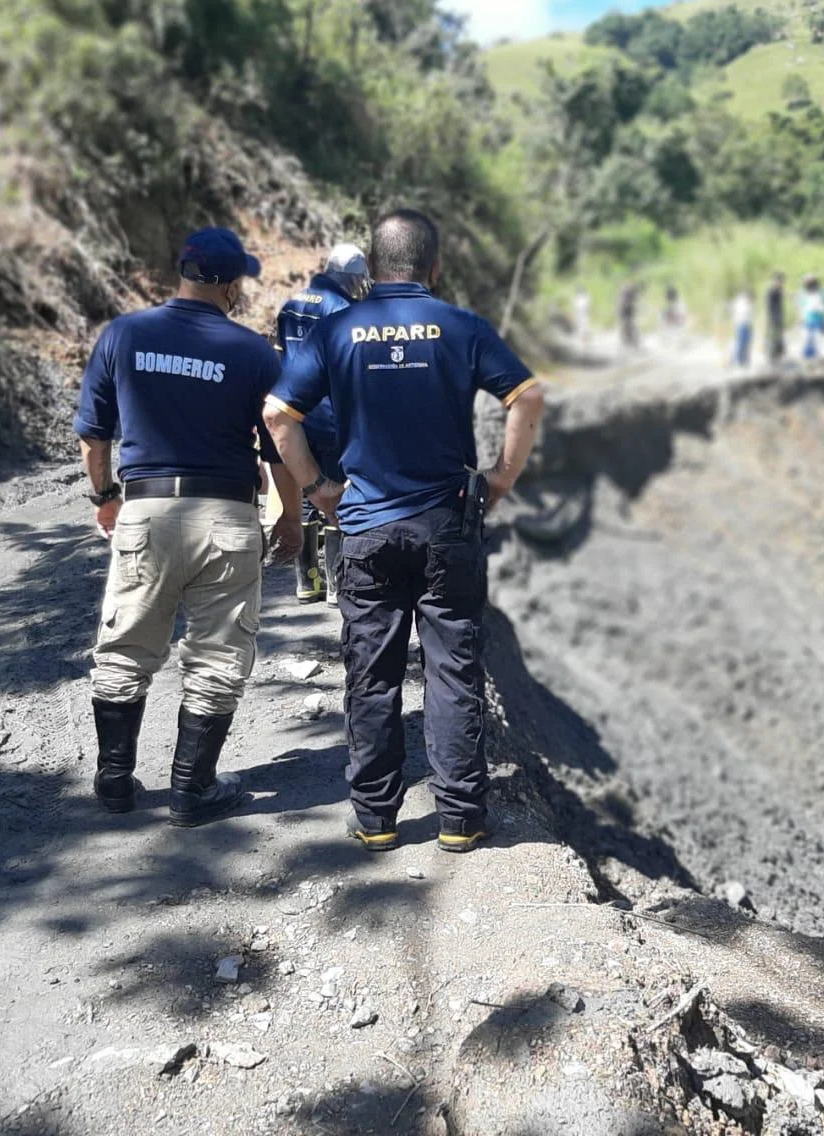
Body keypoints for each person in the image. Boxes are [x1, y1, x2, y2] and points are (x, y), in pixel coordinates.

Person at [263, 209, 546, 855]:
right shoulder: (461, 326)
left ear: (371, 266)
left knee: (372, 673)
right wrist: (501, 478)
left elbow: (279, 414)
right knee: (452, 670)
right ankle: (460, 819)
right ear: (434, 267)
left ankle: (375, 819)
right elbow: (526, 397)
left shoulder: (337, 329)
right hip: (445, 523)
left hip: (365, 525)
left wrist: (318, 489)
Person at [74, 227, 303, 828]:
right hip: (226, 518)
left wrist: (104, 498)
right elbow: (279, 441)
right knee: (218, 655)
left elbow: (94, 436)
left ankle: (115, 782)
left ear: (182, 272)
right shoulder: (254, 352)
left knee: (124, 648)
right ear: (229, 285)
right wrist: (294, 519)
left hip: (147, 511)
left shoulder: (124, 335)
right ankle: (191, 789)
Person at [274, 243, 371, 606]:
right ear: (351, 276)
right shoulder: (344, 309)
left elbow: (282, 354)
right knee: (334, 495)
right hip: (332, 414)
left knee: (305, 490)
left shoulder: (292, 302)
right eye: (360, 278)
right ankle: (335, 585)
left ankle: (306, 582)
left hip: (295, 413)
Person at [800, 274, 824, 359]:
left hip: (817, 318)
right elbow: (802, 306)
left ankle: (817, 355)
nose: (809, 284)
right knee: (806, 337)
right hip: (808, 318)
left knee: (817, 337)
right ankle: (807, 355)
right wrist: (801, 317)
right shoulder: (803, 293)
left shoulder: (821, 292)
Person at [765, 271, 786, 364]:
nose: (780, 283)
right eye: (779, 280)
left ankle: (778, 357)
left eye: (781, 281)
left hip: (779, 318)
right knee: (774, 339)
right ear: (774, 281)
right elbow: (769, 307)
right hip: (773, 318)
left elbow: (783, 294)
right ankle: (772, 358)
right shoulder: (772, 291)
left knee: (779, 338)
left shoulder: (778, 290)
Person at [730, 287, 754, 367]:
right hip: (740, 324)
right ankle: (736, 361)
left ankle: (744, 361)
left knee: (746, 344)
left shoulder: (748, 303)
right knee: (740, 344)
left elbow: (750, 315)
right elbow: (738, 314)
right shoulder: (740, 302)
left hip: (747, 325)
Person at [617, 281, 642, 350]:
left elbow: (636, 300)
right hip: (624, 310)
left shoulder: (631, 293)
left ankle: (631, 340)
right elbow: (621, 303)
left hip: (628, 310)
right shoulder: (625, 293)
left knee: (631, 324)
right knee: (626, 324)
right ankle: (627, 340)